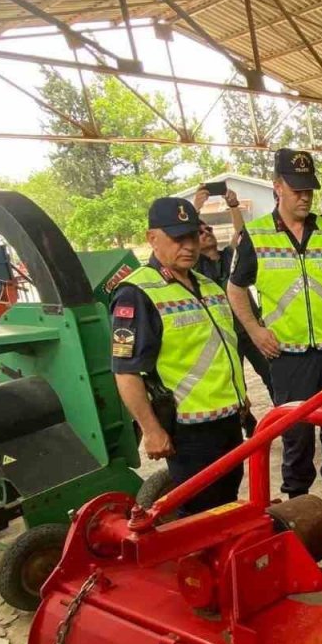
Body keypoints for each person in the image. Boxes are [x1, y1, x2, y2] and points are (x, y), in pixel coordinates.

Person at [226, 149, 322, 522]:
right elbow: (235, 289)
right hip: (288, 355)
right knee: (296, 433)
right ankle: (298, 499)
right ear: (277, 187)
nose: (304, 196)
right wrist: (255, 331)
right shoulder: (256, 237)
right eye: (297, 189)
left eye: (309, 190)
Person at [109, 198, 249, 516]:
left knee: (226, 504)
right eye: (177, 238)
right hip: (190, 432)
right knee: (198, 516)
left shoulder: (209, 286)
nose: (188, 246)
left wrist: (240, 395)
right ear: (152, 238)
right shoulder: (138, 293)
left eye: (191, 236)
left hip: (228, 420)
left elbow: (222, 349)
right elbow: (126, 371)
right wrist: (151, 429)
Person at [190, 184, 273, 401]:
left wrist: (234, 205)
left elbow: (241, 235)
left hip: (249, 330)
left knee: (272, 375)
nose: (206, 233)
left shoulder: (230, 256)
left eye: (208, 229)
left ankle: (287, 415)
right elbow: (183, 236)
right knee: (235, 387)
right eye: (199, 232)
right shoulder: (194, 268)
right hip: (223, 335)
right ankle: (248, 427)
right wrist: (195, 208)